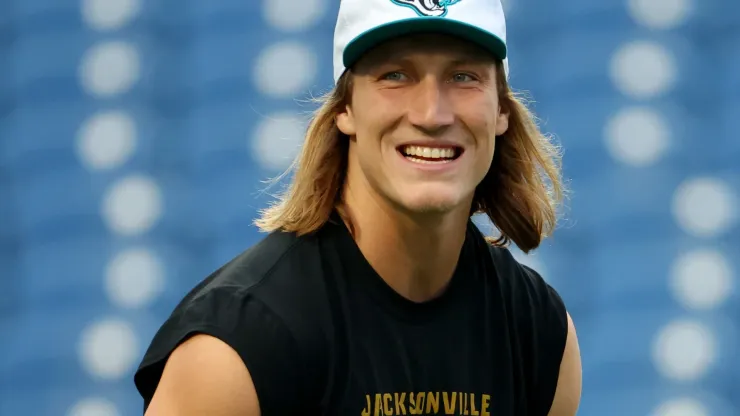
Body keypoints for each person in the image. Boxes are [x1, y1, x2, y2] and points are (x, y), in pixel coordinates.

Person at [134, 0, 583, 414]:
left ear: (501, 110)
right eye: (395, 75)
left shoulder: (539, 333)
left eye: (463, 76)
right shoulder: (237, 349)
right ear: (345, 108)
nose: (432, 114)